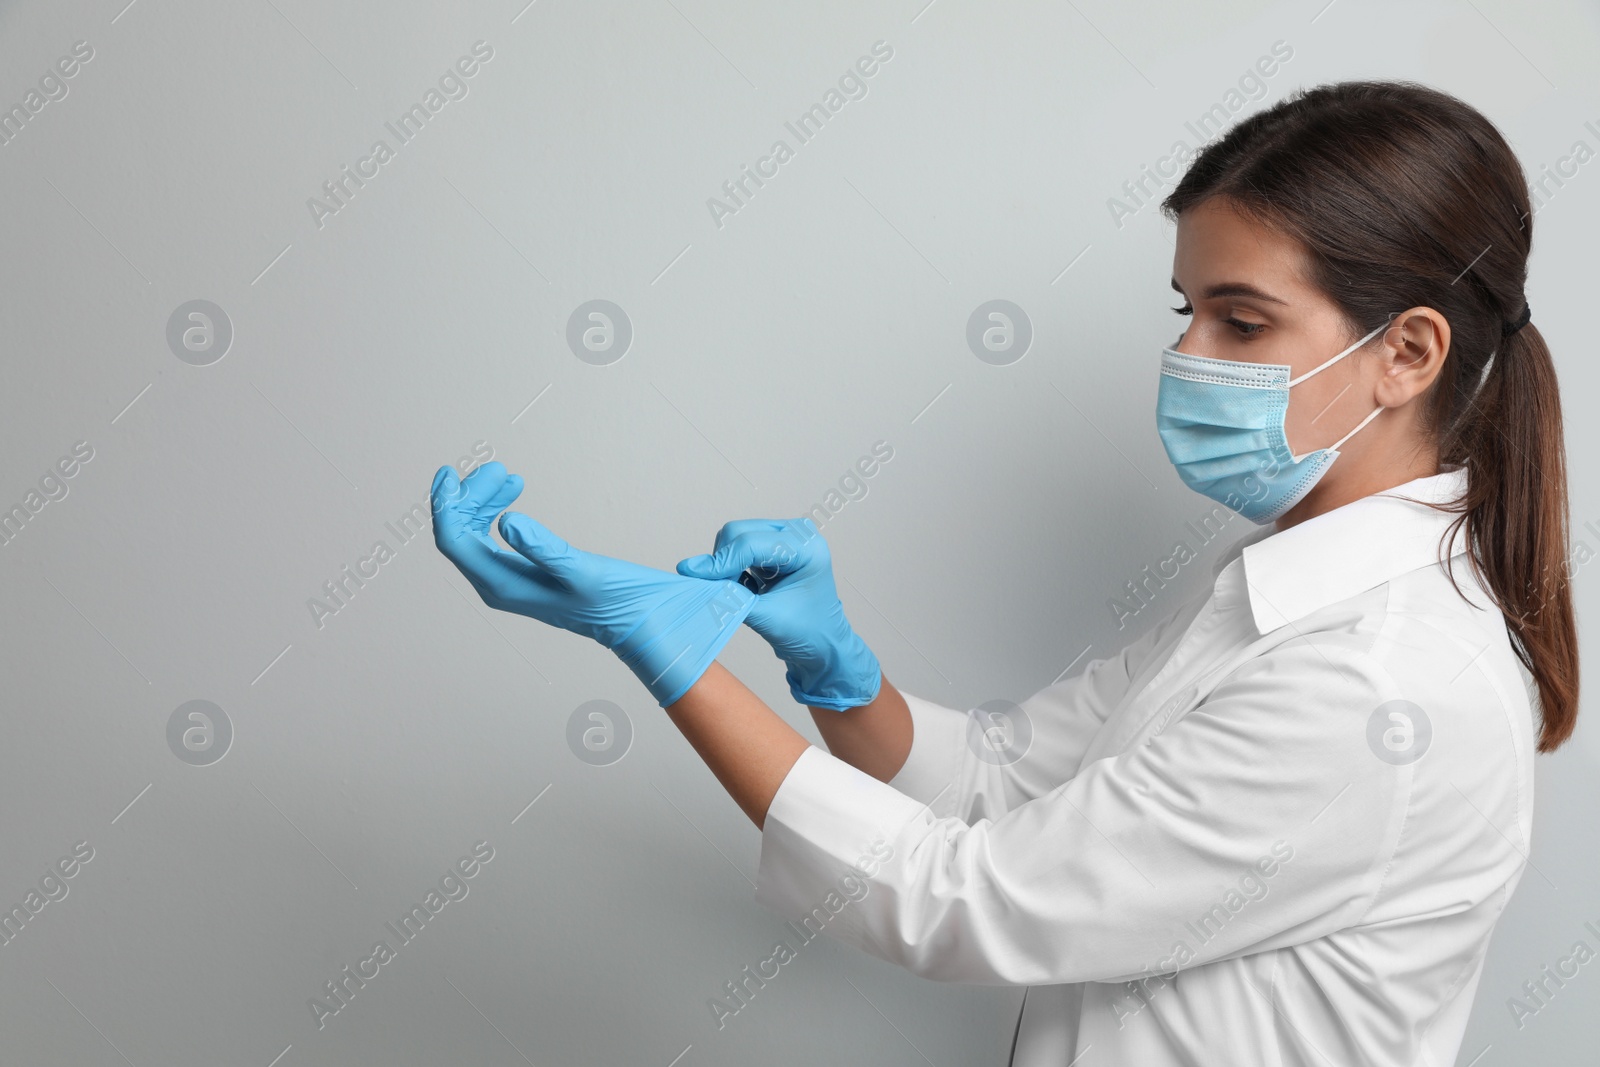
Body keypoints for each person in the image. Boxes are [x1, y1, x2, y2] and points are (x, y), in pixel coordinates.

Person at [429, 80, 1577, 1065]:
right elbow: (1002, 786)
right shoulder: (1277, 581)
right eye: (1186, 311)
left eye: (1240, 320)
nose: (1186, 355)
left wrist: (668, 654)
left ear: (1406, 353)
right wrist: (835, 667)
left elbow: (957, 902)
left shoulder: (1381, 682)